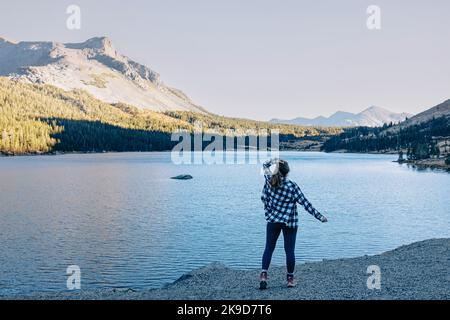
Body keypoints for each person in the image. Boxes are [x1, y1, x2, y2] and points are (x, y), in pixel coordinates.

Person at [260, 158, 328, 289]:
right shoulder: (292, 186)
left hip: (273, 221)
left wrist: (275, 160)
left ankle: (263, 275)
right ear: (287, 172)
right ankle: (290, 280)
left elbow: (264, 165)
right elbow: (305, 203)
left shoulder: (269, 181)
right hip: (289, 222)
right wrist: (320, 216)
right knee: (289, 251)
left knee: (269, 248)